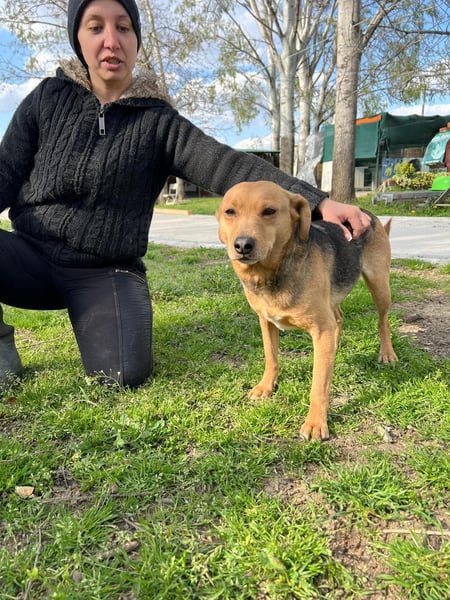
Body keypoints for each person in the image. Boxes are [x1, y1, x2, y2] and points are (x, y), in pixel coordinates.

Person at [0, 0, 371, 387]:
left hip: (105, 270)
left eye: (123, 28)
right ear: (78, 39)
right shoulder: (48, 97)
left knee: (122, 374)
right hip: (30, 256)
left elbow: (230, 166)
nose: (111, 41)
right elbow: (5, 169)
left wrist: (320, 202)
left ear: (136, 39)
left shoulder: (159, 122)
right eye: (95, 27)